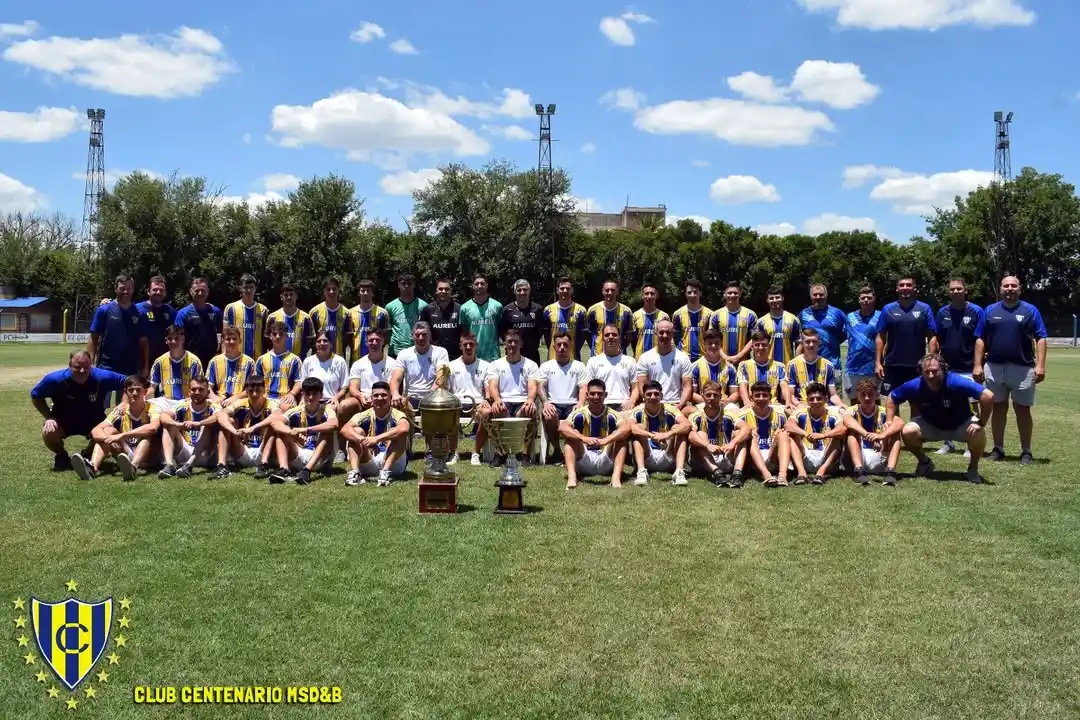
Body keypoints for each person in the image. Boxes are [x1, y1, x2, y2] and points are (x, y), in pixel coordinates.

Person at [974, 275, 1048, 465]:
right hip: (994, 367)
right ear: (1000, 289)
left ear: (1019, 289)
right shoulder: (989, 311)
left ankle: (1026, 451)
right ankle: (998, 448)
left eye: (1013, 285)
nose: (1010, 288)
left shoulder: (1031, 310)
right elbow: (980, 338)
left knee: (1023, 410)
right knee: (998, 408)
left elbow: (1040, 337)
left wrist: (1040, 365)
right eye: (1006, 285)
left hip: (1023, 369)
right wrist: (977, 364)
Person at [888, 352, 994, 484]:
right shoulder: (917, 384)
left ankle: (973, 468)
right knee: (908, 431)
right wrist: (889, 421)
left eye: (934, 371)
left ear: (943, 369)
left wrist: (981, 422)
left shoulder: (956, 381)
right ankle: (924, 462)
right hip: (931, 425)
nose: (930, 375)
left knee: (978, 432)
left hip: (960, 425)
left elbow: (988, 396)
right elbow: (892, 398)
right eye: (927, 372)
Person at [31, 350, 128, 470]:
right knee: (49, 432)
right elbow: (36, 396)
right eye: (78, 367)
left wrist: (124, 402)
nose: (82, 371)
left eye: (86, 367)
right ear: (69, 365)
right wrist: (49, 417)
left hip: (94, 421)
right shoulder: (55, 380)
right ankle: (62, 455)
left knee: (109, 432)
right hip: (63, 421)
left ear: (91, 365)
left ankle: (88, 453)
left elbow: (129, 382)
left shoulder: (102, 377)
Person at [71, 375, 159, 482]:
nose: (134, 393)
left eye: (138, 390)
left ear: (145, 392)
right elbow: (95, 430)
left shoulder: (152, 407)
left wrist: (122, 435)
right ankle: (92, 468)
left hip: (146, 455)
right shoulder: (120, 410)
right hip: (124, 452)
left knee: (147, 434)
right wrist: (108, 439)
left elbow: (153, 428)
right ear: (126, 392)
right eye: (131, 390)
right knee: (108, 431)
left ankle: (133, 468)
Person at [935, 277, 984, 456]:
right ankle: (948, 443)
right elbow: (936, 338)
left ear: (965, 290)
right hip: (947, 369)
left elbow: (980, 339)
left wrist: (978, 365)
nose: (956, 291)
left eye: (959, 288)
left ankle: (971, 443)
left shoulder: (976, 311)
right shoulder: (942, 312)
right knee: (946, 406)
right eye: (952, 289)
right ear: (948, 291)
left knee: (973, 407)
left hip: (970, 368)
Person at [481, 329, 540, 462]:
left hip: (522, 402)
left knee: (531, 410)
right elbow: (493, 385)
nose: (512, 344)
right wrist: (497, 400)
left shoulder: (531, 365)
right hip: (504, 402)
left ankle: (524, 453)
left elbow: (532, 386)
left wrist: (530, 400)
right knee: (487, 413)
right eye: (509, 342)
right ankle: (499, 452)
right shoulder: (495, 365)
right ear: (504, 344)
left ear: (521, 344)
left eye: (516, 342)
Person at [561, 379, 631, 489]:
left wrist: (607, 440)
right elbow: (562, 427)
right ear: (587, 395)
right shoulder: (578, 413)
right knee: (571, 436)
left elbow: (626, 428)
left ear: (605, 395)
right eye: (593, 394)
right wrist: (583, 438)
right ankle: (572, 477)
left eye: (600, 394)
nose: (596, 397)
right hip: (584, 459)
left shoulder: (612, 414)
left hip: (606, 459)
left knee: (620, 438)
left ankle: (616, 477)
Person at [89, 274, 148, 401]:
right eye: (122, 288)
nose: (125, 291)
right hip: (106, 366)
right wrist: (90, 362)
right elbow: (94, 337)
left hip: (130, 368)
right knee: (99, 404)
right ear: (116, 289)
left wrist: (145, 366)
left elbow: (143, 341)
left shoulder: (139, 313)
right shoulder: (104, 310)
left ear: (133, 289)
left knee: (125, 407)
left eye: (129, 288)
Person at [269, 377, 339, 485]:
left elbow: (334, 424)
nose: (310, 397)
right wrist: (290, 432)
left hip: (321, 458)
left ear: (321, 395)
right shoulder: (295, 411)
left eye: (314, 394)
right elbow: (275, 423)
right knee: (280, 432)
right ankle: (284, 470)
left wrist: (306, 429)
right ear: (302, 394)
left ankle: (307, 471)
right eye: (307, 394)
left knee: (328, 431)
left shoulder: (327, 410)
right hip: (299, 453)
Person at [875, 276, 938, 394]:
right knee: (891, 403)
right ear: (897, 289)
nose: (905, 288)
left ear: (915, 288)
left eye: (908, 285)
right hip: (892, 365)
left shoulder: (924, 308)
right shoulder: (888, 309)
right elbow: (880, 337)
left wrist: (931, 359)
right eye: (902, 285)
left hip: (917, 365)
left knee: (917, 403)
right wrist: (878, 363)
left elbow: (932, 337)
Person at [340, 380, 410, 486]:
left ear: (390, 397)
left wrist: (376, 439)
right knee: (356, 432)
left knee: (396, 432)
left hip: (394, 464)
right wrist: (362, 439)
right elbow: (344, 429)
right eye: (376, 395)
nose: (380, 398)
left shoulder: (397, 414)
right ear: (371, 398)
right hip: (369, 461)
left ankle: (385, 474)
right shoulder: (365, 414)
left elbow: (404, 428)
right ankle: (355, 474)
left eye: (384, 395)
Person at [157, 375, 226, 479]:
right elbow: (163, 416)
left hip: (204, 454)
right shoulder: (183, 404)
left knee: (207, 424)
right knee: (169, 425)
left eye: (201, 390)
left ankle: (189, 465)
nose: (197, 392)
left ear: (207, 393)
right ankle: (169, 466)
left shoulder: (213, 406)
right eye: (194, 389)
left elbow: (220, 417)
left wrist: (199, 423)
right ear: (189, 392)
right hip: (184, 450)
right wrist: (178, 424)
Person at [688, 380, 750, 487]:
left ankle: (737, 474)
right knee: (701, 434)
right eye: (708, 395)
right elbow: (690, 435)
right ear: (702, 395)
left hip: (725, 456)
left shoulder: (728, 414)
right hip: (703, 461)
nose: (712, 398)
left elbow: (747, 428)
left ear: (720, 396)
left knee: (740, 435)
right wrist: (707, 445)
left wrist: (732, 443)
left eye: (715, 395)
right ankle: (716, 473)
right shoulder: (696, 415)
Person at [537, 332, 587, 464]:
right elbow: (540, 386)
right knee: (549, 416)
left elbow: (583, 388)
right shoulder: (546, 366)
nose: (562, 348)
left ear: (570, 346)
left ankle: (576, 452)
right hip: (553, 404)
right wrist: (546, 403)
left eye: (565, 344)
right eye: (559, 345)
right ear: (554, 347)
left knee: (580, 416)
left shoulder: (579, 366)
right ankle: (558, 451)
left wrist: (581, 403)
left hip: (573, 405)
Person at [629, 380, 690, 486]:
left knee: (679, 428)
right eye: (649, 394)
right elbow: (630, 428)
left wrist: (667, 434)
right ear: (643, 397)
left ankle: (679, 472)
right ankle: (641, 472)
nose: (653, 397)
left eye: (656, 394)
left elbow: (687, 425)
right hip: (647, 456)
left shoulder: (670, 409)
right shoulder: (638, 410)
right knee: (638, 428)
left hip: (668, 454)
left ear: (661, 396)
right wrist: (651, 435)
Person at [216, 376, 278, 479]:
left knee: (274, 424)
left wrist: (252, 428)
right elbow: (220, 415)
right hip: (242, 450)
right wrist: (234, 431)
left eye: (258, 391)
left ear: (264, 390)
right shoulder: (240, 403)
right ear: (246, 391)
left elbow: (277, 416)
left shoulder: (271, 403)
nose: (254, 394)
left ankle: (263, 466)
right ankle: (222, 466)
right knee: (228, 423)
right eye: (251, 391)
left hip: (262, 451)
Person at [844, 378, 902, 486]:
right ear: (857, 396)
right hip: (860, 456)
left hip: (881, 454)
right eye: (863, 395)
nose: (867, 398)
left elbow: (899, 422)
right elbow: (847, 421)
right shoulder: (852, 410)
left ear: (876, 395)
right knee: (852, 434)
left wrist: (881, 436)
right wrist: (866, 434)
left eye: (870, 394)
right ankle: (859, 471)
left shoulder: (883, 411)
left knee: (894, 432)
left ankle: (890, 472)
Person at [785, 382, 846, 485]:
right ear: (807, 400)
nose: (815, 401)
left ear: (826, 399)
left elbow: (842, 429)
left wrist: (824, 435)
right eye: (811, 399)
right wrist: (805, 434)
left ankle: (821, 472)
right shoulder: (800, 412)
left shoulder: (833, 414)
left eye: (819, 398)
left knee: (837, 436)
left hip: (826, 456)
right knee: (790, 435)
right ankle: (801, 473)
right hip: (805, 455)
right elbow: (788, 425)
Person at [447, 331, 490, 466]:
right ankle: (453, 453)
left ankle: (476, 453)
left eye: (471, 344)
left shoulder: (485, 366)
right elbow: (447, 390)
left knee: (487, 413)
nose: (468, 347)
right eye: (465, 344)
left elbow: (488, 390)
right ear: (460, 346)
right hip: (457, 403)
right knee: (447, 413)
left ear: (476, 346)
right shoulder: (451, 365)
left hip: (477, 403)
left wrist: (486, 400)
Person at [389, 321, 451, 414]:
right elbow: (395, 379)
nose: (421, 338)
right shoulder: (404, 353)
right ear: (412, 336)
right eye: (417, 335)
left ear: (429, 335)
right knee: (399, 403)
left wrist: (428, 396)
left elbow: (441, 378)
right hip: (410, 397)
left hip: (433, 396)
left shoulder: (440, 352)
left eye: (424, 334)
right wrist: (395, 394)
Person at [742, 381, 791, 487]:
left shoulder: (780, 416)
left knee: (783, 434)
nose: (761, 399)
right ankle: (767, 476)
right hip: (753, 460)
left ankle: (782, 476)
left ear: (770, 397)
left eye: (765, 395)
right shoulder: (743, 416)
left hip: (772, 457)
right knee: (748, 434)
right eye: (757, 395)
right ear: (751, 397)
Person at [581, 324, 637, 412]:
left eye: (614, 335)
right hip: (600, 404)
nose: (611, 337)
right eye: (607, 335)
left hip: (623, 405)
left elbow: (635, 387)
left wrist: (632, 401)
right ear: (602, 338)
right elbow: (587, 387)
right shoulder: (593, 361)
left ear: (619, 338)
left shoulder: (630, 361)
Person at [341, 330, 393, 422]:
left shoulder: (392, 363)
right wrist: (361, 397)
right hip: (363, 399)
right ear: (366, 343)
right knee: (344, 405)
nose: (374, 343)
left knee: (404, 404)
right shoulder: (358, 364)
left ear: (383, 341)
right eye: (371, 340)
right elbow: (353, 388)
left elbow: (391, 387)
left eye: (377, 340)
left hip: (383, 398)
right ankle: (343, 434)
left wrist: (376, 398)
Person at [148, 325, 204, 412]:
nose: (173, 341)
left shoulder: (194, 362)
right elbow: (152, 388)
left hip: (187, 401)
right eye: (170, 339)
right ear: (166, 341)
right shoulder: (159, 362)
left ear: (183, 339)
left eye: (176, 338)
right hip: (166, 401)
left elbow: (199, 387)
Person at [785, 328, 843, 410]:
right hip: (802, 405)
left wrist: (841, 404)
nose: (811, 344)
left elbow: (833, 395)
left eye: (814, 341)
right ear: (802, 343)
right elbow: (791, 394)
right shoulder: (792, 365)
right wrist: (799, 405)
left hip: (823, 406)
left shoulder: (828, 365)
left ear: (819, 343)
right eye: (807, 342)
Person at [253, 321, 303, 410]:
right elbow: (256, 382)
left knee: (286, 408)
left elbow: (298, 382)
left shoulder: (295, 360)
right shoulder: (261, 359)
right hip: (266, 397)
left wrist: (292, 394)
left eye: (281, 334)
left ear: (286, 336)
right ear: (270, 336)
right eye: (275, 334)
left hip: (285, 397)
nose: (277, 337)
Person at [174, 277, 223, 368]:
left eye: (203, 290)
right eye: (197, 291)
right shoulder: (183, 314)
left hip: (213, 361)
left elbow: (224, 334)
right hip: (190, 361)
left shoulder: (216, 312)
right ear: (191, 292)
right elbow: (177, 339)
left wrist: (220, 353)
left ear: (207, 292)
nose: (200, 293)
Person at [687, 329, 738, 416]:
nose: (713, 346)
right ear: (704, 345)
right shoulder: (695, 367)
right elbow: (692, 393)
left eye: (716, 343)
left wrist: (728, 400)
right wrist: (709, 401)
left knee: (737, 412)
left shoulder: (730, 368)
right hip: (703, 403)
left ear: (721, 344)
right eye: (710, 343)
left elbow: (735, 393)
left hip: (723, 404)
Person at [799, 284, 847, 375]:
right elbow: (799, 339)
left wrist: (832, 342)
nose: (818, 297)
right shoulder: (803, 314)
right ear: (810, 296)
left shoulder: (837, 313)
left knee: (834, 389)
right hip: (808, 365)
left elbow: (845, 334)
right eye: (815, 294)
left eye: (821, 294)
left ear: (826, 295)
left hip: (833, 364)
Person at [843, 285, 880, 403]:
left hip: (873, 367)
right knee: (854, 401)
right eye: (863, 297)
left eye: (869, 297)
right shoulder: (850, 317)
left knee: (874, 400)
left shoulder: (881, 316)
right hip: (853, 367)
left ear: (874, 299)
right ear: (859, 300)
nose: (866, 300)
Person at [737, 329, 789, 412]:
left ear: (769, 346)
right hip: (752, 405)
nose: (760, 347)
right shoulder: (744, 365)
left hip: (773, 406)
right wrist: (746, 402)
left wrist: (788, 403)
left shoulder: (779, 366)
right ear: (752, 347)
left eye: (764, 345)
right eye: (757, 345)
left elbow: (784, 387)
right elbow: (742, 386)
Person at [498, 279, 546, 364]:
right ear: (514, 292)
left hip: (532, 355)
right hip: (512, 354)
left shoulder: (537, 309)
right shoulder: (507, 310)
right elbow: (502, 332)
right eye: (519, 290)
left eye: (525, 289)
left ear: (529, 291)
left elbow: (541, 330)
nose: (522, 292)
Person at [709, 281, 757, 365]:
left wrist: (738, 356)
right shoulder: (716, 315)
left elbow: (754, 339)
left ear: (740, 294)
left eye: (735, 293)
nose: (732, 295)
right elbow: (712, 338)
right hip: (721, 361)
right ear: (724, 295)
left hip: (744, 362)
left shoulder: (750, 315)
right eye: (729, 293)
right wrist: (724, 356)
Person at [206, 326, 255, 407]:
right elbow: (207, 386)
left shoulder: (249, 362)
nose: (231, 342)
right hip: (219, 401)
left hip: (240, 402)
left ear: (240, 341)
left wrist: (236, 397)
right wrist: (214, 397)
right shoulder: (214, 361)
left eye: (234, 338)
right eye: (228, 339)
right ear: (223, 341)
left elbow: (252, 387)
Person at [459, 273, 503, 362]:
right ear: (472, 286)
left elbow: (501, 329)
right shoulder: (464, 308)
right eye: (476, 284)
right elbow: (464, 333)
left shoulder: (497, 306)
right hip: (473, 355)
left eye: (482, 283)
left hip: (493, 356)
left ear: (487, 285)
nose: (479, 286)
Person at [222, 273, 268, 360]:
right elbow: (224, 335)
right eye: (245, 287)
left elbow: (267, 338)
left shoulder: (263, 310)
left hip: (257, 359)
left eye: (251, 287)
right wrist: (223, 356)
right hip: (235, 358)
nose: (249, 290)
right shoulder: (231, 308)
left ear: (255, 289)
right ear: (241, 288)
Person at [302, 331, 349, 410]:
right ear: (315, 344)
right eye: (318, 341)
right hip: (311, 400)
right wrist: (302, 399)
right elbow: (303, 385)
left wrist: (336, 398)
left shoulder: (339, 361)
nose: (322, 343)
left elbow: (345, 387)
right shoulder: (308, 361)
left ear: (331, 344)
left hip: (330, 401)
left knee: (330, 412)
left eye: (325, 341)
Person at [543, 277, 588, 361]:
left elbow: (582, 335)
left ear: (572, 290)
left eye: (567, 288)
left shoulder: (581, 310)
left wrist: (575, 348)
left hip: (573, 358)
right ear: (557, 290)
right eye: (562, 288)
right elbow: (546, 335)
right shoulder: (548, 310)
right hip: (553, 357)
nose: (565, 291)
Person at [266, 283, 315, 359]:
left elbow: (310, 342)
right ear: (281, 297)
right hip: (277, 362)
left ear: (296, 296)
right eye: (286, 295)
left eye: (291, 294)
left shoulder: (306, 318)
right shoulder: (272, 318)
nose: (289, 297)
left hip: (299, 363)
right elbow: (267, 341)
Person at [756, 285, 801, 366]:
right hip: (768, 366)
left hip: (789, 365)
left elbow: (799, 344)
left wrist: (797, 363)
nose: (775, 300)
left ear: (782, 298)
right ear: (767, 300)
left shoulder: (794, 320)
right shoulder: (760, 322)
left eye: (777, 297)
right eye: (771, 298)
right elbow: (756, 346)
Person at [586, 279, 633, 356]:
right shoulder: (592, 310)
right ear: (603, 291)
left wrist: (620, 347)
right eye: (607, 290)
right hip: (597, 355)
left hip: (619, 357)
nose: (610, 293)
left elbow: (629, 336)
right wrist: (595, 346)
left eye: (613, 290)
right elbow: (587, 334)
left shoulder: (626, 311)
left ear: (617, 291)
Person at [347, 279, 390, 362]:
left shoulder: (382, 313)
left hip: (376, 359)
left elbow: (386, 336)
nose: (365, 293)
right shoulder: (350, 313)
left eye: (368, 291)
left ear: (372, 293)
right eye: (363, 291)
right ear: (359, 293)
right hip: (356, 359)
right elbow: (348, 338)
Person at [420, 277, 463, 360]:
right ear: (436, 291)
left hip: (456, 356)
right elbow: (423, 332)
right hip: (434, 355)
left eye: (447, 289)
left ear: (451, 291)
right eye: (441, 289)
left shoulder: (459, 309)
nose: (444, 291)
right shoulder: (427, 310)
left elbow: (464, 333)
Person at [136, 275, 176, 362]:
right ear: (148, 291)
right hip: (141, 362)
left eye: (161, 290)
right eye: (155, 289)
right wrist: (107, 303)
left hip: (165, 361)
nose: (158, 292)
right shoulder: (137, 309)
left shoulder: (170, 311)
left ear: (165, 293)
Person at [386, 273, 427, 357]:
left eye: (409, 283)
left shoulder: (423, 306)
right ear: (398, 285)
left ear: (414, 285)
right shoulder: (390, 307)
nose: (406, 286)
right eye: (403, 283)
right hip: (396, 351)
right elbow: (387, 330)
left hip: (417, 350)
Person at [672, 278, 712, 362]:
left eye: (695, 292)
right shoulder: (677, 314)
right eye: (689, 292)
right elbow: (675, 337)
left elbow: (712, 338)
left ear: (700, 293)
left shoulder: (710, 314)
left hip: (704, 358)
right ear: (685, 294)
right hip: (683, 358)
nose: (692, 295)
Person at [308, 277, 350, 358]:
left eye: (334, 289)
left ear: (338, 290)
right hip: (319, 359)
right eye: (328, 289)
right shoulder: (314, 312)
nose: (331, 292)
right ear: (324, 291)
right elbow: (311, 339)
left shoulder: (346, 313)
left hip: (338, 358)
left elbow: (348, 339)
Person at [629, 282, 670, 359]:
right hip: (640, 359)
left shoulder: (664, 316)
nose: (649, 296)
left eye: (652, 294)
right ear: (642, 296)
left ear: (657, 296)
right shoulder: (635, 316)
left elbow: (669, 339)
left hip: (659, 359)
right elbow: (632, 340)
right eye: (646, 293)